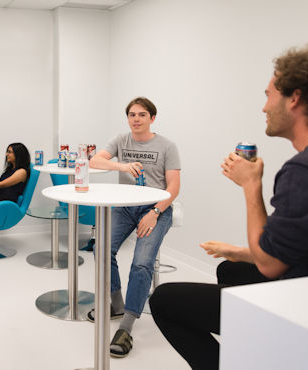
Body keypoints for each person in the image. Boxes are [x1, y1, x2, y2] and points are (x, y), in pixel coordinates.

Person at [150, 45, 308, 370]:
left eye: (269, 95)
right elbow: (304, 244)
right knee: (231, 269)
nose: (263, 107)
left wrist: (250, 185)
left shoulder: (304, 170)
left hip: (307, 305)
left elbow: (271, 265)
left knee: (165, 300)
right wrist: (242, 252)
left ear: (294, 98)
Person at [89, 97, 181, 358]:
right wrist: (120, 165)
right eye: (132, 114)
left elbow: (173, 187)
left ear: (152, 118)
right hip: (125, 206)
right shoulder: (121, 140)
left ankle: (126, 327)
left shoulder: (167, 146)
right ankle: (117, 304)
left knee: (141, 263)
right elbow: (95, 161)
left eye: (142, 115)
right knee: (101, 249)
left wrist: (154, 212)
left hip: (156, 208)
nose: (136, 119)